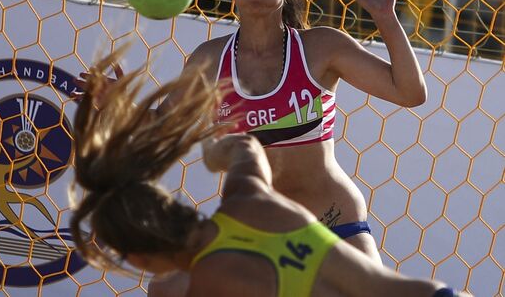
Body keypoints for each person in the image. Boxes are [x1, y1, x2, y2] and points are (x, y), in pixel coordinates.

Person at [76, 0, 426, 262]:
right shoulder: (210, 59)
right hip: (252, 228)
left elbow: (410, 93)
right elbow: (161, 124)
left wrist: (385, 16)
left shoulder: (321, 47)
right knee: (168, 290)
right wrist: (118, 104)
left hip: (332, 220)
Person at [70, 54, 466, 297]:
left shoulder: (212, 282)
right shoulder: (248, 199)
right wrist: (216, 154)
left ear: (140, 257)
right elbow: (247, 147)